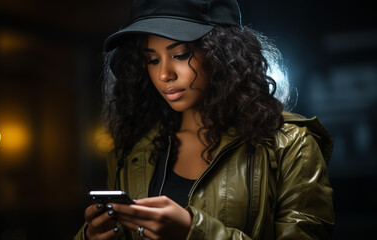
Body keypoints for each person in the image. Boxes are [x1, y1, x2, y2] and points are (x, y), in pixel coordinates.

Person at [74, 0, 335, 239]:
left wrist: (193, 231)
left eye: (180, 55)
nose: (164, 74)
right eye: (152, 60)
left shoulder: (291, 145)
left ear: (222, 54)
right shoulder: (133, 149)